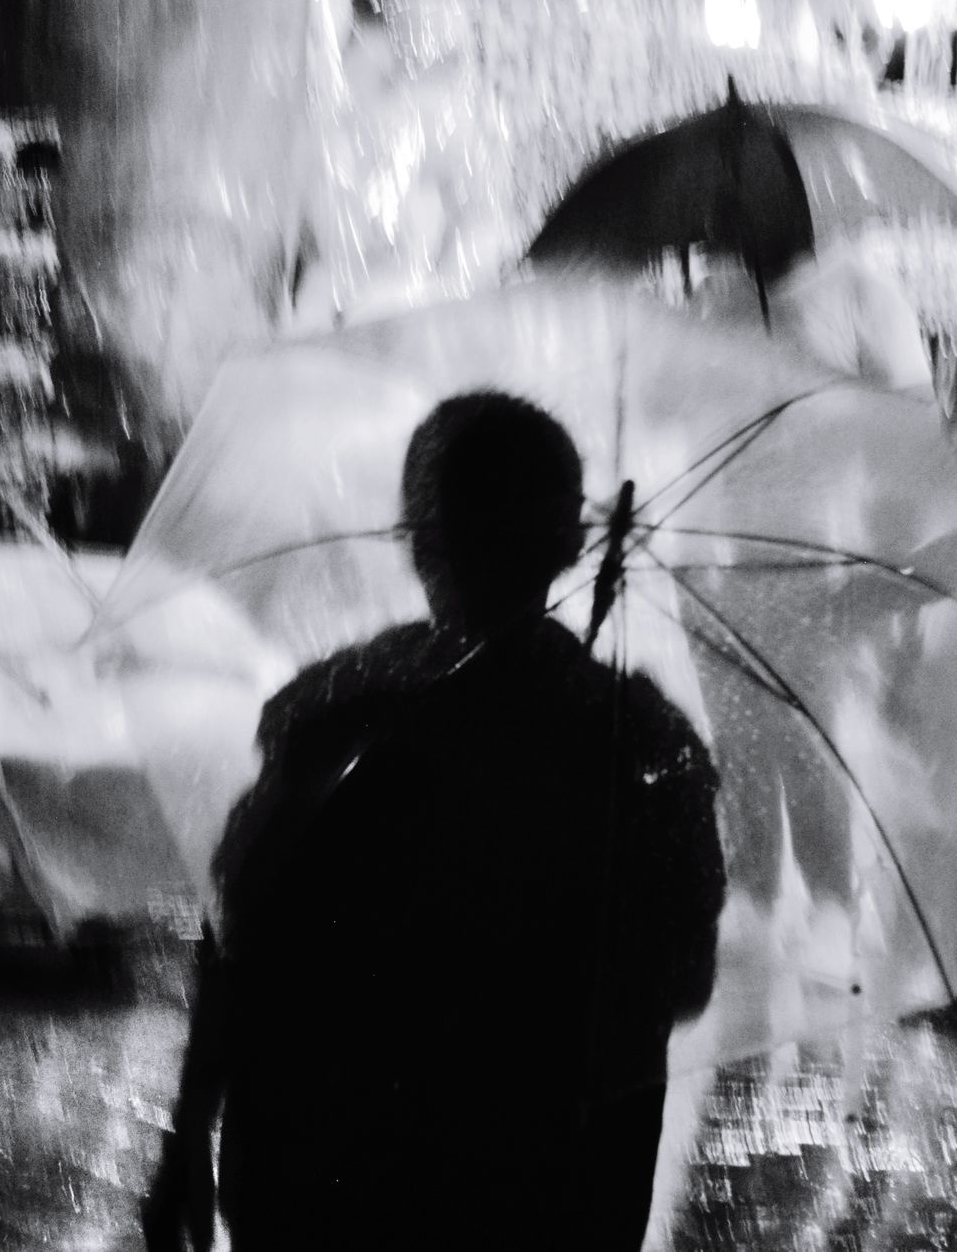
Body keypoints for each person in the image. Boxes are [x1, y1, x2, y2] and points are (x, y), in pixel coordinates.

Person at [142, 391, 726, 1251]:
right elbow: (685, 984)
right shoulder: (641, 745)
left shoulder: (342, 714)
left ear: (422, 538)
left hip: (331, 1173)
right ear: (571, 544)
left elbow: (242, 934)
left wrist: (188, 1129)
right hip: (552, 1183)